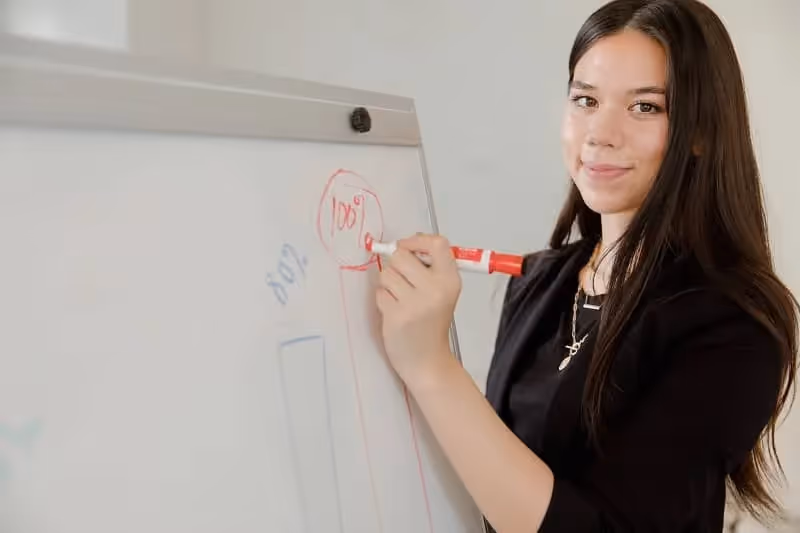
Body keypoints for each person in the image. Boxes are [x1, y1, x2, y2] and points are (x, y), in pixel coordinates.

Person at [373, 0, 799, 531]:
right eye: (585, 100)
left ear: (701, 132)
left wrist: (431, 366)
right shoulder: (539, 280)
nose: (601, 133)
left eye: (645, 107)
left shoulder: (734, 325)